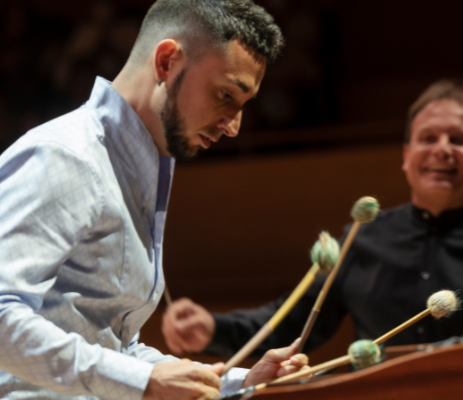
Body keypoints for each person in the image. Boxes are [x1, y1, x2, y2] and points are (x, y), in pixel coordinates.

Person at [0, 1, 310, 399]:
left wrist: (237, 384)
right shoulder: (65, 156)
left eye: (243, 106)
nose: (234, 126)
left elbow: (112, 348)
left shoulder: (134, 166)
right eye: (225, 95)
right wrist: (142, 382)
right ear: (166, 62)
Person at [162, 81, 463, 369]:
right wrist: (211, 329)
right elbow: (294, 324)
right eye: (428, 138)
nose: (442, 150)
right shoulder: (365, 238)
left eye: (459, 139)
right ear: (406, 155)